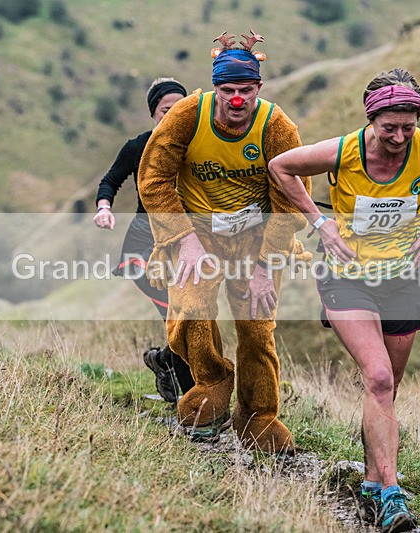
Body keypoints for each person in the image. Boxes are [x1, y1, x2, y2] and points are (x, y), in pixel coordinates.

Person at [268, 68, 420, 531]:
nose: (400, 136)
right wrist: (320, 224)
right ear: (371, 119)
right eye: (389, 128)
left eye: (408, 126)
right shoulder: (342, 151)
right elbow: (280, 166)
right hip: (347, 279)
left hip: (404, 279)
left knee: (386, 390)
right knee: (378, 377)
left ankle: (369, 484)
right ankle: (392, 493)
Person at [137, 31, 310, 452]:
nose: (237, 100)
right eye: (227, 90)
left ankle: (258, 416)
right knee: (191, 310)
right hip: (197, 234)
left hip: (257, 238)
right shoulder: (185, 115)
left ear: (259, 90)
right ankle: (211, 384)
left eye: (245, 91)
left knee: (256, 328)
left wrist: (267, 266)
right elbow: (153, 177)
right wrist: (185, 241)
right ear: (215, 88)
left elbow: (291, 199)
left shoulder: (277, 127)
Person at [94, 77, 195, 403]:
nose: (173, 114)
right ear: (154, 113)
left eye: (180, 108)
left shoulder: (195, 145)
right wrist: (104, 208)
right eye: (166, 109)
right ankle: (190, 398)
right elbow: (110, 180)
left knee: (191, 316)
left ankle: (165, 362)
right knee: (176, 313)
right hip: (142, 247)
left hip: (181, 243)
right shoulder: (138, 146)